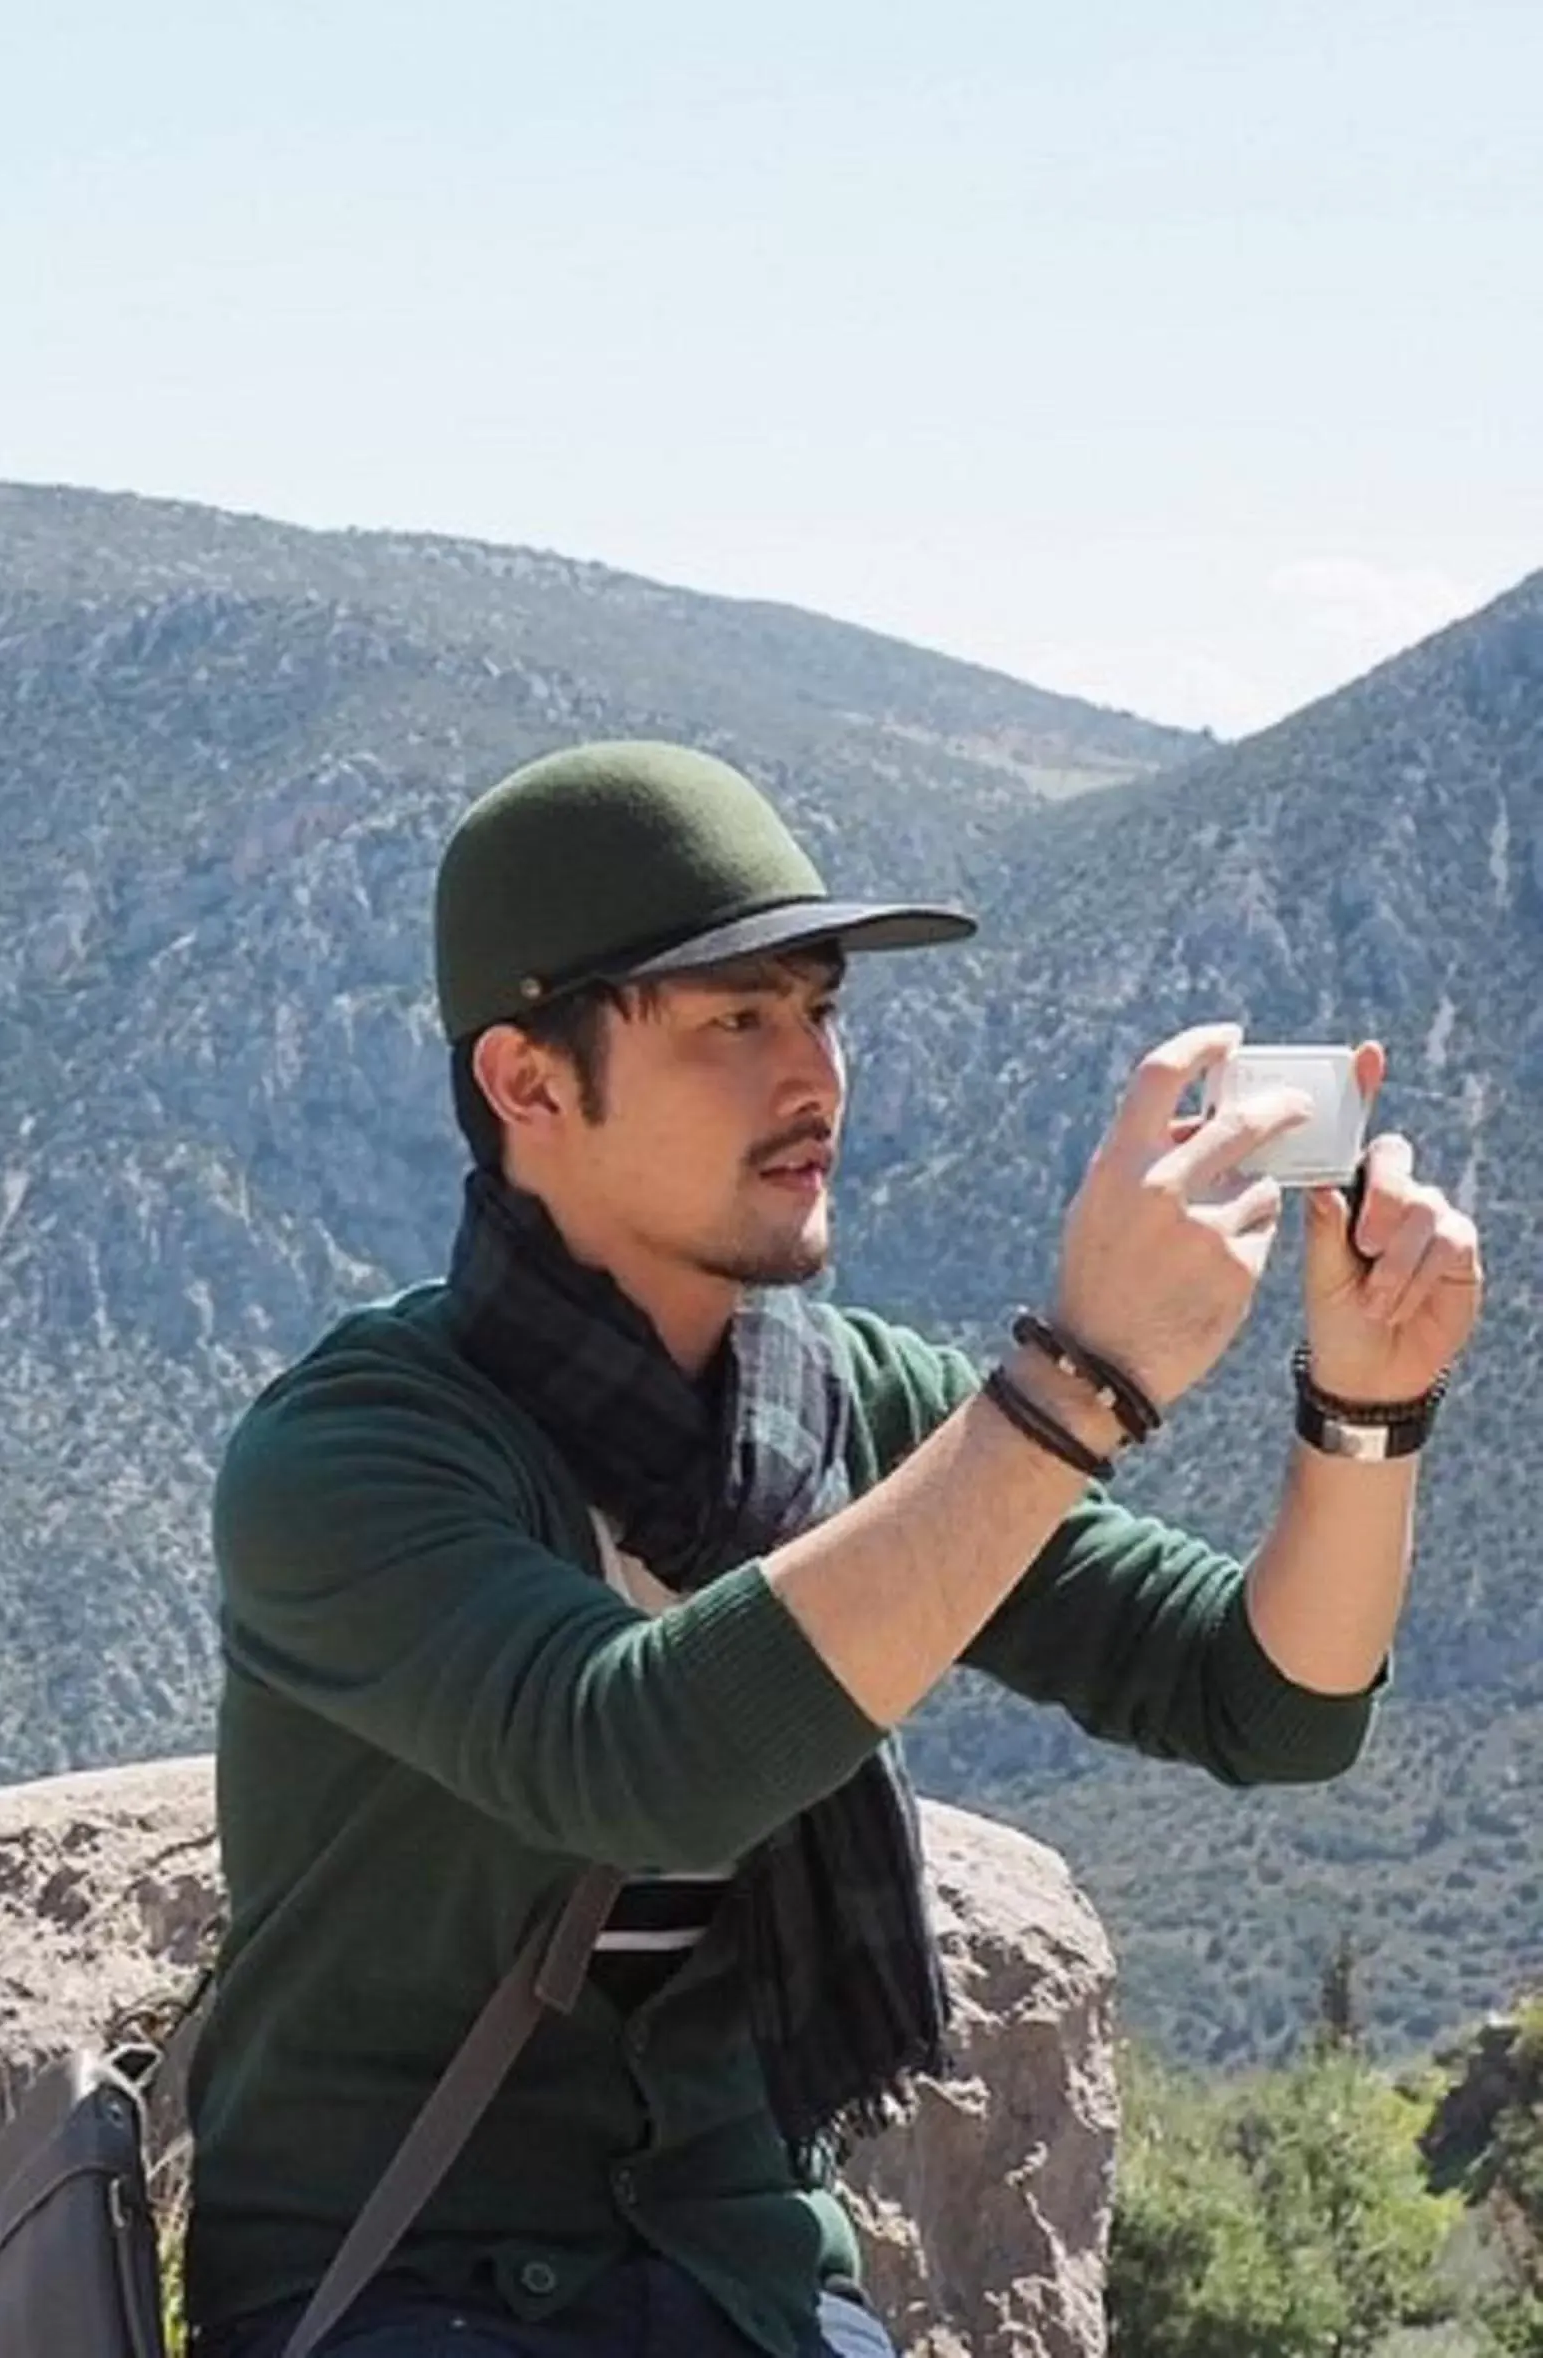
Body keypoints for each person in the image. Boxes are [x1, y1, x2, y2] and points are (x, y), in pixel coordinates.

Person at [181, 740, 1483, 2358]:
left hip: (747, 2282)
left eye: (821, 1009)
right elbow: (635, 1753)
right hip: (397, 2286)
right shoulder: (355, 1451)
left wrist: (1365, 1406)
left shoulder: (843, 1402)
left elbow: (1264, 1702)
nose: (815, 1077)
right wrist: (1073, 1377)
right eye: (736, 1019)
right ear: (528, 1081)